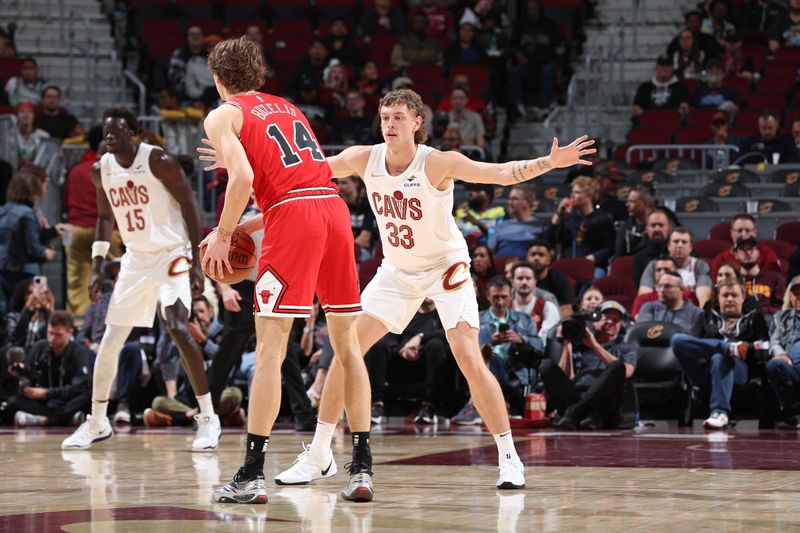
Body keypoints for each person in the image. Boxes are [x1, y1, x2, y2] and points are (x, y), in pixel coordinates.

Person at [200, 87, 594, 490]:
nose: (389, 124)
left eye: (398, 118)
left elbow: (499, 172)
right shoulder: (362, 157)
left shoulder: (437, 162)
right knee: (345, 351)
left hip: (445, 267)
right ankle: (319, 454)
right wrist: (240, 161)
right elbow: (301, 180)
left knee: (468, 356)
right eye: (385, 117)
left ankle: (509, 457)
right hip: (398, 271)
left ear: (417, 123)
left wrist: (550, 162)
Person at [199, 37, 373, 504]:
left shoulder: (222, 114)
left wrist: (222, 232)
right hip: (333, 211)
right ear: (258, 74)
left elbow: (244, 180)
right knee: (348, 346)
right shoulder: (287, 106)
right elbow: (297, 181)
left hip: (294, 220)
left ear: (218, 78)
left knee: (272, 350)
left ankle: (252, 473)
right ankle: (360, 469)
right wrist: (243, 224)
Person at [61, 108, 218, 454]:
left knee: (177, 326)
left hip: (173, 252)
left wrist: (196, 262)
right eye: (106, 131)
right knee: (111, 338)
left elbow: (191, 205)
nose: (109, 136)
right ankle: (98, 421)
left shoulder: (157, 159)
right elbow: (104, 218)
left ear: (133, 132)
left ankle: (208, 418)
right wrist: (99, 264)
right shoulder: (101, 168)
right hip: (135, 259)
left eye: (116, 130)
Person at [671, 277, 769, 429]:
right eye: (725, 296)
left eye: (734, 295)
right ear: (718, 298)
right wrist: (725, 346)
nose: (729, 299)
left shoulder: (755, 318)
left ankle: (719, 412)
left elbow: (764, 346)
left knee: (720, 358)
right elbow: (693, 344)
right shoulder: (705, 317)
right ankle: (726, 347)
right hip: (703, 368)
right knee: (677, 340)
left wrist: (745, 347)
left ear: (743, 297)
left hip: (738, 368)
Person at [541, 300, 636, 429]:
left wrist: (595, 346)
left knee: (617, 366)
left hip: (607, 402)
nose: (610, 322)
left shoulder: (625, 348)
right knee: (546, 366)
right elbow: (567, 378)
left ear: (621, 325)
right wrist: (567, 345)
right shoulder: (580, 343)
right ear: (596, 320)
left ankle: (575, 412)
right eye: (606, 317)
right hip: (576, 396)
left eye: (616, 320)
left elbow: (627, 372)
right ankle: (588, 414)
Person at [458, 275, 542, 420]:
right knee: (486, 355)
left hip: (515, 371)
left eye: (504, 297)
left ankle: (474, 406)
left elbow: (540, 347)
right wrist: (491, 342)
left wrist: (521, 340)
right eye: (496, 297)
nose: (500, 301)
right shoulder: (476, 319)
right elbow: (467, 349)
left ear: (511, 296)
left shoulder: (525, 319)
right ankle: (479, 405)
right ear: (488, 296)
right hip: (486, 368)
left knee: (489, 356)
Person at [62, 125, 122, 317]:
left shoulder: (76, 171)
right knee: (120, 278)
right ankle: (118, 317)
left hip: (77, 231)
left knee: (78, 282)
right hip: (110, 232)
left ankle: (79, 321)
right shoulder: (118, 172)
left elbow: (66, 202)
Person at [365, 298, 452, 425]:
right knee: (378, 345)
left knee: (436, 345)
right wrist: (402, 350)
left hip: (426, 363)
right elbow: (391, 335)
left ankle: (428, 405)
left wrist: (420, 337)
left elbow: (448, 333)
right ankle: (377, 403)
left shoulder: (443, 312)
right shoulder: (407, 311)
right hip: (400, 359)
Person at [6, 311, 93, 426]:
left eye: (58, 335)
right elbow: (32, 376)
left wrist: (47, 393)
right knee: (13, 401)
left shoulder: (78, 352)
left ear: (70, 332)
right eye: (50, 333)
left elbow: (80, 387)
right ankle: (63, 419)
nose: (52, 338)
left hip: (67, 400)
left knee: (87, 395)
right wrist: (21, 374)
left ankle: (45, 419)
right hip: (45, 403)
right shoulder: (39, 348)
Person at [0, 171, 57, 306]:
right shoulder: (27, 214)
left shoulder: (3, 210)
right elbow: (34, 248)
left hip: (3, 269)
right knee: (26, 311)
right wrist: (46, 252)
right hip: (24, 272)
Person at [549, 176, 616, 273]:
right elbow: (551, 239)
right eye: (572, 192)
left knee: (597, 275)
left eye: (577, 192)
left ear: (589, 195)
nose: (572, 196)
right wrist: (558, 214)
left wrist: (592, 258)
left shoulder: (602, 219)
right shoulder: (568, 217)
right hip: (567, 263)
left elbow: (610, 248)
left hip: (592, 265)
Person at [639, 227, 713, 307]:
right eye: (676, 241)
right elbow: (644, 297)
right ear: (669, 246)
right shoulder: (655, 265)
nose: (680, 245)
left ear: (691, 247)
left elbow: (703, 300)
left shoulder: (700, 266)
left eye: (684, 242)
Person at [766, 275, 800, 429]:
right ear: (790, 296)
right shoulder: (781, 318)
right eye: (796, 293)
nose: (799, 296)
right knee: (774, 365)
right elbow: (774, 341)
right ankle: (791, 407)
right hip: (792, 367)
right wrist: (781, 353)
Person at [710, 214, 780, 277]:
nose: (743, 234)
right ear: (731, 233)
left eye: (747, 230)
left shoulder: (766, 253)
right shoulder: (721, 259)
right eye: (739, 230)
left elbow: (776, 278)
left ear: (755, 233)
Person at [637, 271, 704, 336]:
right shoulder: (649, 308)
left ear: (681, 289)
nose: (662, 290)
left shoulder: (697, 313)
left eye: (667, 286)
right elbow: (642, 332)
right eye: (659, 286)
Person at [488, 184, 547, 257]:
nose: (510, 202)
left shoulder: (540, 226)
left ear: (527, 202)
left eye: (514, 199)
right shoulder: (501, 226)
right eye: (509, 199)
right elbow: (489, 252)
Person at [734, 236, 785, 317]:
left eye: (751, 248)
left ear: (758, 252)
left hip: (768, 319)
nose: (748, 252)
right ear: (735, 254)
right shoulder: (732, 280)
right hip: (740, 319)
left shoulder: (775, 278)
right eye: (743, 249)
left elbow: (781, 307)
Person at [631, 56, 690, 122]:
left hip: (671, 122)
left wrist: (682, 110)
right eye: (661, 65)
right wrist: (647, 116)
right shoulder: (645, 87)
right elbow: (636, 108)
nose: (664, 68)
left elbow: (684, 107)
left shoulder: (681, 87)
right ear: (656, 67)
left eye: (667, 65)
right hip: (649, 123)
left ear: (672, 68)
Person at [510, 262, 559, 339]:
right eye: (520, 278)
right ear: (512, 282)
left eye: (528, 278)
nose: (524, 282)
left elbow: (547, 338)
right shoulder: (504, 307)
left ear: (535, 281)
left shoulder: (548, 307)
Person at [526, 239, 575, 315]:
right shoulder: (521, 280)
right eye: (533, 254)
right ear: (527, 259)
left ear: (549, 259)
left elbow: (568, 308)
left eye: (541, 255)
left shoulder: (560, 280)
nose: (536, 258)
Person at [632, 209, 673, 287]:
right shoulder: (639, 257)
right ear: (646, 229)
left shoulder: (680, 252)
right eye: (653, 226)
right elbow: (639, 286)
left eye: (661, 225)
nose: (657, 229)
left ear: (669, 228)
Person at [615, 185, 655, 257]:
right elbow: (618, 257)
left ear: (645, 203)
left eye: (632, 201)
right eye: (627, 201)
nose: (627, 205)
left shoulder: (659, 225)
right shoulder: (625, 227)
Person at [13, 102, 50, 167]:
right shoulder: (10, 134)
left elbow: (46, 159)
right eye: (22, 111)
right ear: (16, 116)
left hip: (36, 171)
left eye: (29, 112)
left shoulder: (44, 136)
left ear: (34, 116)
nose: (26, 115)